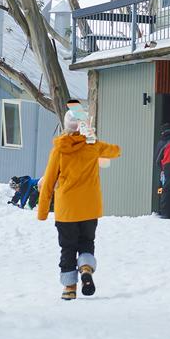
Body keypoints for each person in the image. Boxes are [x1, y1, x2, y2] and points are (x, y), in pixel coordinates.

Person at [37, 110, 120, 301]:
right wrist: (94, 138)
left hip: (66, 209)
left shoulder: (59, 149)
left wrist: (42, 211)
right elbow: (116, 150)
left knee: (67, 247)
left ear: (66, 126)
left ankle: (69, 287)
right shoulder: (93, 146)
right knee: (86, 242)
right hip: (90, 207)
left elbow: (49, 181)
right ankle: (85, 268)